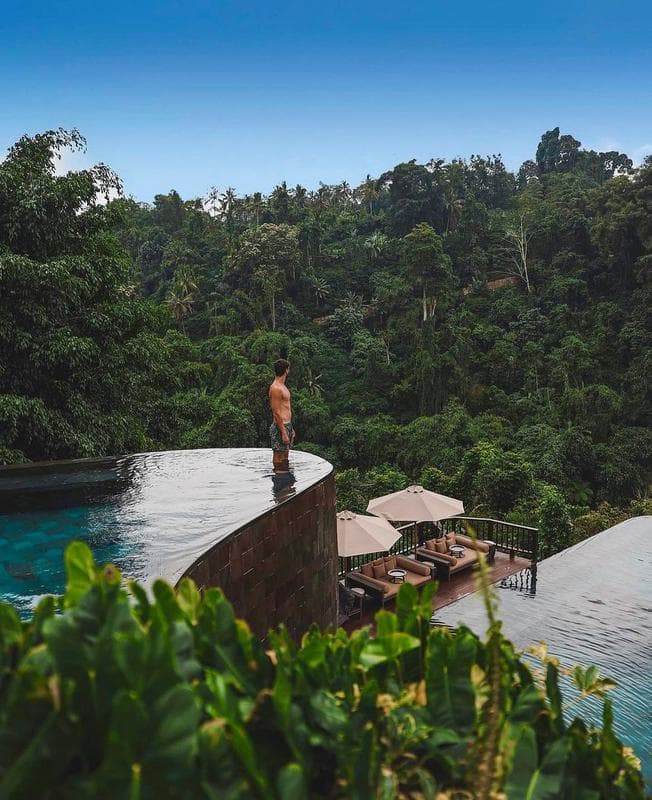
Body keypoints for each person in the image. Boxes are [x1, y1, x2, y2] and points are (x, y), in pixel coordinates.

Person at [268, 358, 295, 470]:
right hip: (280, 426)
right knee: (279, 456)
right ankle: (278, 481)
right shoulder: (276, 388)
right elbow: (276, 413)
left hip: (286, 425)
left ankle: (285, 484)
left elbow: (286, 409)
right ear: (286, 370)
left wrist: (290, 428)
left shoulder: (282, 386)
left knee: (285, 456)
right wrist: (283, 432)